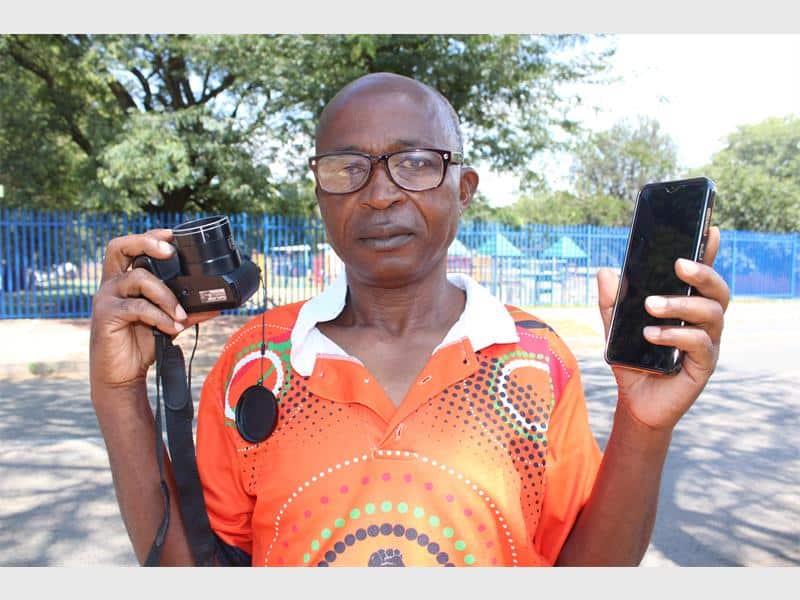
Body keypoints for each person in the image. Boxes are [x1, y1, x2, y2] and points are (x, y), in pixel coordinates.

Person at [89, 72, 729, 567]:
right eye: (347, 168)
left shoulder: (535, 360)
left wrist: (644, 427)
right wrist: (118, 394)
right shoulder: (255, 363)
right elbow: (190, 570)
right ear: (320, 194)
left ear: (464, 188)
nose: (380, 193)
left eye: (416, 162)